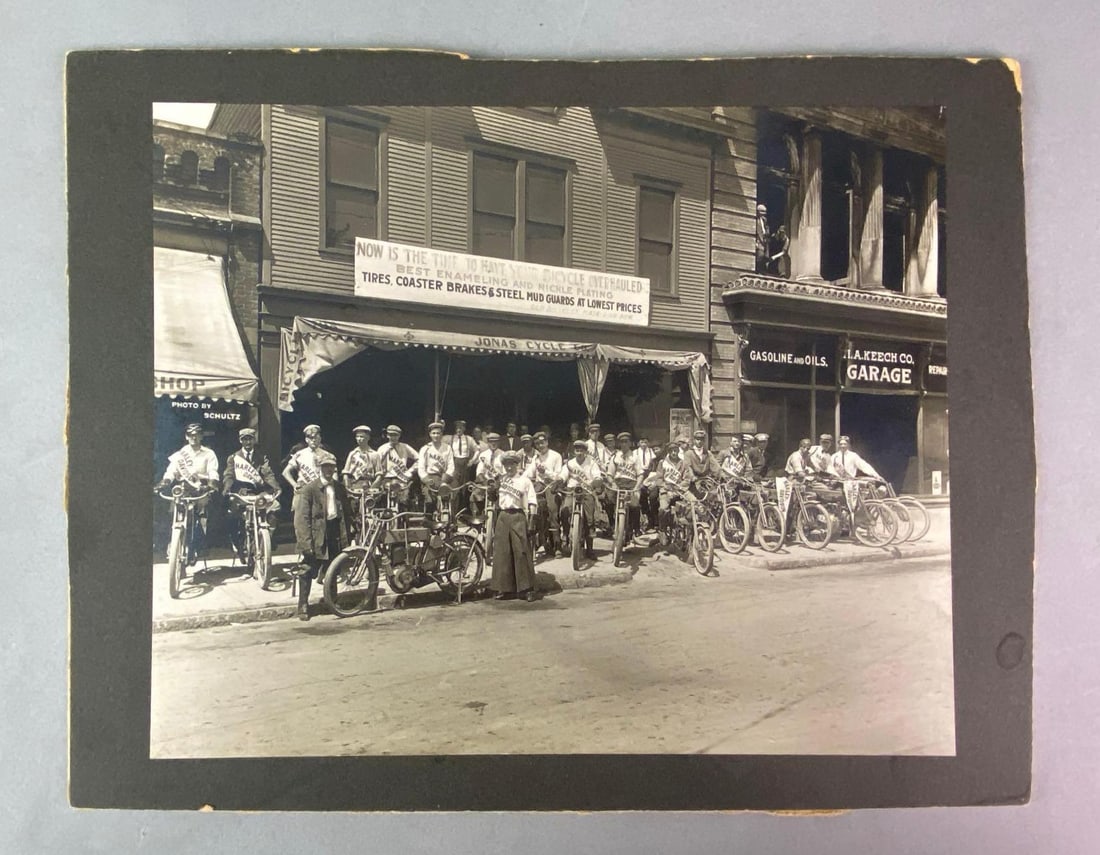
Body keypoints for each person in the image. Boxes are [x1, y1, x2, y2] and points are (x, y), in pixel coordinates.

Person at [293, 450, 349, 621]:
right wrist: (306, 543)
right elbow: (301, 519)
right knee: (308, 569)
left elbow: (347, 512)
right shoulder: (310, 489)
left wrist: (349, 535)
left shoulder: (339, 488)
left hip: (334, 531)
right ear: (319, 468)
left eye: (331, 467)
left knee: (333, 567)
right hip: (317, 534)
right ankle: (303, 605)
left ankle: (332, 601)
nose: (328, 470)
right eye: (325, 467)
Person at [158, 422, 220, 561]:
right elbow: (171, 471)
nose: (194, 438)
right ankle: (173, 541)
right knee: (174, 509)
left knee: (202, 509)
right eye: (190, 435)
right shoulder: (180, 454)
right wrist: (165, 482)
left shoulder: (209, 453)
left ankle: (200, 543)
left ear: (201, 437)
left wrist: (212, 483)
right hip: (184, 487)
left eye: (197, 435)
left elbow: (213, 471)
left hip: (202, 487)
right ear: (186, 437)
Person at [222, 427, 281, 562]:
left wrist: (275, 487)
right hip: (242, 493)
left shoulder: (261, 457)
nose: (248, 442)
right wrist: (227, 488)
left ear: (254, 440)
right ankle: (238, 544)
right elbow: (229, 475)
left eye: (250, 439)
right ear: (240, 441)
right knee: (233, 515)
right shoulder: (234, 457)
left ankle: (267, 541)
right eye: (244, 439)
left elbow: (268, 473)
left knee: (275, 508)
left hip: (259, 493)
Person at [490, 452, 540, 602]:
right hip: (503, 516)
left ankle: (527, 589)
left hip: (518, 515)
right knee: (502, 553)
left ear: (517, 465)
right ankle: (504, 588)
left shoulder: (524, 481)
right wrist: (492, 490)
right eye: (506, 464)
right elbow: (494, 499)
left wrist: (532, 520)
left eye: (512, 464)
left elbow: (532, 501)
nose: (509, 467)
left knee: (521, 551)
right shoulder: (501, 479)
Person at [561, 439, 603, 561]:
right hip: (572, 490)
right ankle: (566, 535)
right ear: (574, 451)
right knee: (564, 510)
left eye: (581, 450)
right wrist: (559, 480)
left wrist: (595, 481)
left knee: (589, 518)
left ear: (585, 451)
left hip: (587, 490)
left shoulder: (592, 463)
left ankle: (590, 548)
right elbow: (563, 475)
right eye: (577, 450)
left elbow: (597, 476)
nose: (579, 452)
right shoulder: (569, 463)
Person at [526, 431, 565, 557]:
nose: (540, 445)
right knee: (533, 509)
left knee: (552, 510)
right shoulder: (535, 458)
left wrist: (546, 472)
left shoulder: (556, 456)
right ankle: (539, 541)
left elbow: (559, 475)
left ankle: (558, 543)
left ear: (547, 442)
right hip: (539, 486)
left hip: (552, 485)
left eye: (542, 442)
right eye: (537, 444)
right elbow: (529, 473)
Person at [654, 439, 691, 549]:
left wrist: (680, 486)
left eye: (675, 450)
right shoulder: (662, 463)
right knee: (663, 508)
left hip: (680, 490)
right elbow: (659, 479)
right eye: (671, 451)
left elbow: (687, 479)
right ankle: (662, 529)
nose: (674, 453)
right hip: (666, 490)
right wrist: (666, 488)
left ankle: (691, 531)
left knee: (693, 503)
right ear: (668, 452)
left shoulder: (683, 463)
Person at [609, 431, 645, 543]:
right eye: (622, 442)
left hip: (631, 483)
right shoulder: (615, 457)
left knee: (635, 505)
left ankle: (635, 528)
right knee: (609, 501)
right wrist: (613, 483)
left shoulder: (635, 457)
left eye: (626, 442)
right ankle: (613, 526)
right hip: (618, 483)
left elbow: (640, 474)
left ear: (630, 443)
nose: (624, 444)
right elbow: (610, 474)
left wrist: (637, 487)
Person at [282, 424, 324, 512]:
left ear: (319, 438)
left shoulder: (327, 455)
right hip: (304, 488)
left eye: (315, 437)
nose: (313, 440)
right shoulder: (299, 454)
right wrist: (294, 485)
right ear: (306, 440)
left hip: (320, 489)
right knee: (301, 519)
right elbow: (286, 472)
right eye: (310, 438)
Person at [417, 421, 456, 515]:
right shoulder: (425, 448)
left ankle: (450, 522)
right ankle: (429, 521)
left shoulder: (447, 448)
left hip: (443, 477)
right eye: (433, 433)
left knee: (450, 497)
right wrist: (426, 479)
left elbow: (451, 465)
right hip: (430, 477)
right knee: (429, 501)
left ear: (442, 434)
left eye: (438, 433)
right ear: (430, 434)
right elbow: (421, 467)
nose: (436, 435)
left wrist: (445, 479)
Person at [375, 424, 418, 506]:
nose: (393, 437)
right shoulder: (382, 449)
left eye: (395, 435)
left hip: (401, 478)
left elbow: (419, 459)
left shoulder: (405, 447)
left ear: (399, 436)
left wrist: (411, 471)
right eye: (391, 435)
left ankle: (403, 516)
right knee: (382, 499)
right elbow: (376, 464)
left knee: (403, 501)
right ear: (387, 435)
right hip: (386, 478)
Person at [471, 432, 505, 516]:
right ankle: (477, 519)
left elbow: (505, 472)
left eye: (496, 442)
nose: (493, 444)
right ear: (488, 443)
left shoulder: (503, 455)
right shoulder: (483, 455)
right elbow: (479, 472)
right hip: (485, 483)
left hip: (498, 484)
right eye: (491, 442)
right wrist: (485, 481)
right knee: (475, 495)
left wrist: (498, 482)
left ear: (499, 443)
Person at [633, 436, 658, 530]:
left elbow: (653, 465)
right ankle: (645, 516)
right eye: (642, 442)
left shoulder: (651, 452)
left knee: (653, 496)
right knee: (641, 494)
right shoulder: (635, 453)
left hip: (649, 474)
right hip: (639, 474)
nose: (644, 444)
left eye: (645, 442)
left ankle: (653, 519)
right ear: (639, 443)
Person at [447, 419, 475, 490]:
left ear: (464, 429)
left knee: (465, 485)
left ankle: (464, 500)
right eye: (457, 428)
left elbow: (477, 450)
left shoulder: (469, 439)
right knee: (455, 484)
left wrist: (472, 461)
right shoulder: (451, 438)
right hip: (455, 463)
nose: (458, 430)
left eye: (461, 428)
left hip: (465, 464)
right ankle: (455, 500)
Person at [754, 202, 770, 273]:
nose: (765, 213)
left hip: (764, 240)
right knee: (760, 255)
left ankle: (762, 271)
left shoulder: (764, 220)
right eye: (763, 211)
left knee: (765, 256)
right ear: (758, 211)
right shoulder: (755, 220)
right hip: (758, 241)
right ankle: (757, 271)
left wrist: (767, 233)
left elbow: (766, 228)